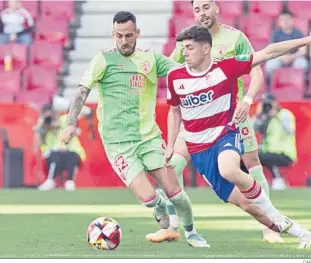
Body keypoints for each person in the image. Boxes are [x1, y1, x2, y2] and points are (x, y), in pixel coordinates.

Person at [165, 25, 311, 248]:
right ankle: (302, 233)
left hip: (225, 135)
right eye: (183, 48)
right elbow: (175, 111)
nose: (184, 53)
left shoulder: (225, 68)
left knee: (229, 169)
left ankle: (272, 210)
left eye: (189, 48)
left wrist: (309, 39)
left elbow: (269, 52)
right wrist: (170, 144)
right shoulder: (175, 77)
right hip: (199, 150)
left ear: (206, 49)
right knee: (248, 206)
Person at [59, 11, 209, 247]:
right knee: (149, 198)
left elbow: (182, 72)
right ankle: (158, 206)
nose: (124, 41)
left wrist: (206, 67)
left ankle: (191, 232)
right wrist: (70, 124)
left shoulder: (150, 59)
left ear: (137, 34)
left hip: (149, 138)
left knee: (176, 192)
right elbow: (81, 92)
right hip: (118, 144)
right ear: (113, 34)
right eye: (119, 36)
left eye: (129, 35)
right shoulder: (103, 59)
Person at [158, 0, 281, 243]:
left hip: (231, 115)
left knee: (251, 162)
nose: (201, 13)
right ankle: (172, 225)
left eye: (205, 7)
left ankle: (270, 227)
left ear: (216, 7)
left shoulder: (235, 38)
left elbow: (256, 70)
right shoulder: (188, 41)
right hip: (194, 118)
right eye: (196, 9)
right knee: (172, 166)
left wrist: (247, 100)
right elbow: (169, 69)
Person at [34, 105, 86, 191]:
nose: (50, 120)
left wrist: (68, 106)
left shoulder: (65, 120)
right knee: (56, 155)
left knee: (70, 155)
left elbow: (84, 112)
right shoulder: (43, 128)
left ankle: (70, 182)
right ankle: (50, 181)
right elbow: (37, 146)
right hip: (53, 157)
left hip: (72, 153)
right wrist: (41, 126)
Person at [253, 93, 297, 190]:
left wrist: (276, 116)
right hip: (269, 151)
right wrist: (258, 115)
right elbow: (252, 130)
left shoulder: (285, 114)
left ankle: (277, 180)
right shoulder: (265, 117)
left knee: (264, 157)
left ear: (275, 103)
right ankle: (271, 181)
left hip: (285, 153)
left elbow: (290, 131)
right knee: (253, 157)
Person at [265, 9, 309, 82]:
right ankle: (270, 90)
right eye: (282, 20)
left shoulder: (298, 33)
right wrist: (283, 57)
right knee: (270, 65)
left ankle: (298, 87)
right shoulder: (275, 33)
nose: (284, 22)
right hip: (279, 57)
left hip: (295, 57)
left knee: (302, 64)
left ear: (292, 20)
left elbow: (304, 51)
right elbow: (272, 50)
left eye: (287, 19)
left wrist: (292, 57)